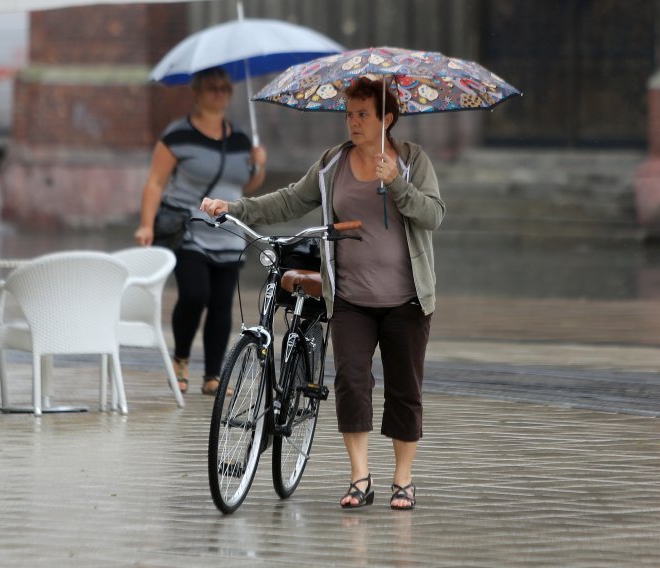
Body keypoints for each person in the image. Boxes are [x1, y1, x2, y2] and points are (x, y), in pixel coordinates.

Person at [200, 77, 445, 510]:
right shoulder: (333, 163)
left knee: (405, 389)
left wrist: (399, 186)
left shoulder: (411, 160)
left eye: (363, 114)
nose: (352, 122)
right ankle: (359, 477)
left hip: (407, 301)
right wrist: (236, 206)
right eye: (349, 114)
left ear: (386, 119)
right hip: (350, 298)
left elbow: (433, 216)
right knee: (351, 381)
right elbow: (291, 200)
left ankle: (403, 480)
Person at [134, 66, 267, 396]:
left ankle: (213, 376)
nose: (219, 93)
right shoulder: (177, 135)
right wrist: (146, 224)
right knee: (195, 294)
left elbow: (246, 183)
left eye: (224, 88)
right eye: (212, 88)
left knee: (222, 302)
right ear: (196, 93)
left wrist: (259, 164)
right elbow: (155, 182)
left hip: (228, 231)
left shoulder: (239, 138)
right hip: (188, 227)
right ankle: (180, 357)